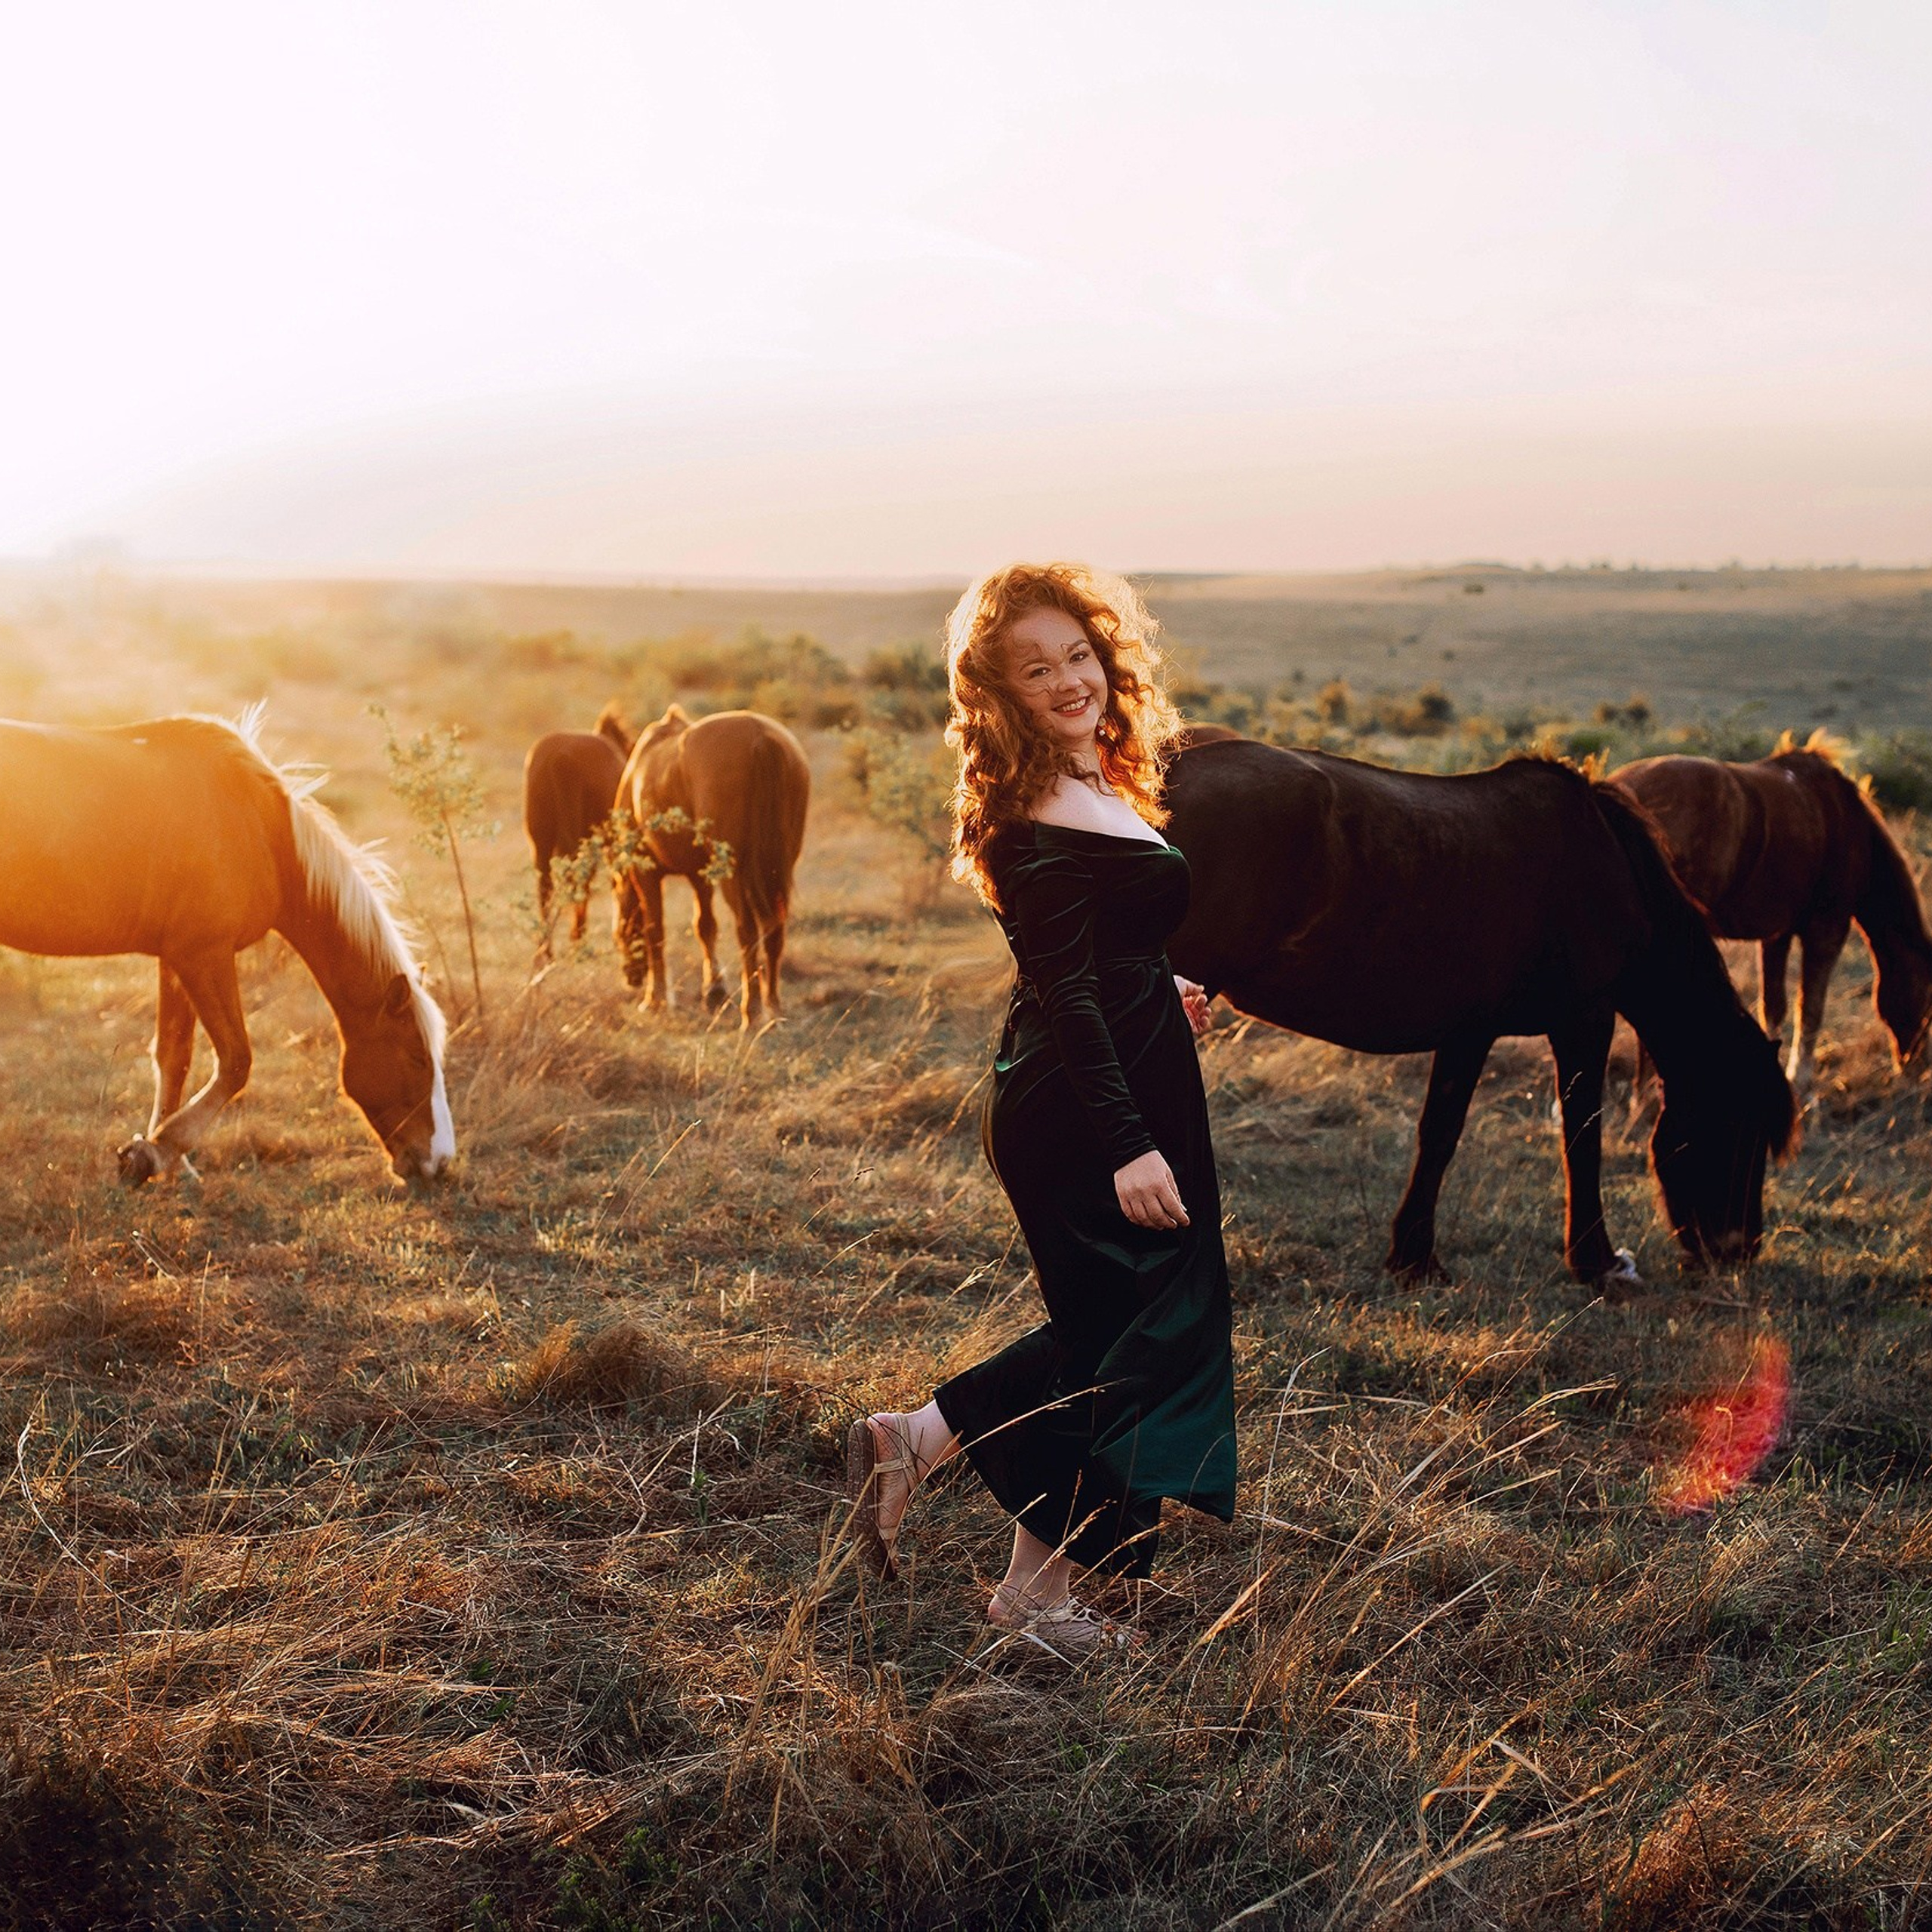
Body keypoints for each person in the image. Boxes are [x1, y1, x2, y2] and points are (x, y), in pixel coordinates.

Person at [846, 561, 1238, 1660]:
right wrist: (1129, 1147)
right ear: (999, 693)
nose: (1069, 681)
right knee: (1135, 1337)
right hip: (1083, 1110)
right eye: (1037, 669)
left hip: (1133, 1073)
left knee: (1128, 1333)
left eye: (1079, 656)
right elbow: (1063, 993)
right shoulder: (1028, 818)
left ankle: (972, 1512)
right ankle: (954, 1487)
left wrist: (1158, 982)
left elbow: (1098, 953)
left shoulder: (1093, 781)